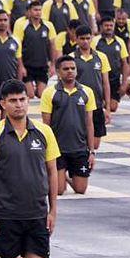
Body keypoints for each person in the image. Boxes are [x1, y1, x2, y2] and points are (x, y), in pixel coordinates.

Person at [0, 79, 60, 258]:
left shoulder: (44, 132)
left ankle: (19, 256)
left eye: (22, 99)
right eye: (13, 100)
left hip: (36, 214)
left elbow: (52, 172)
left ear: (28, 100)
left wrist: (53, 211)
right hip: (5, 214)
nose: (19, 104)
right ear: (3, 104)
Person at [41, 56, 96, 195]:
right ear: (58, 72)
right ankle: (59, 177)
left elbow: (89, 123)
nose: (70, 71)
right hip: (58, 149)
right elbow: (45, 126)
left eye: (73, 68)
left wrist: (92, 151)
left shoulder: (86, 92)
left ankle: (64, 177)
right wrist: (46, 151)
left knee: (81, 189)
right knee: (59, 191)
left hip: (79, 148)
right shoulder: (49, 93)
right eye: (66, 69)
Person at [73, 25, 111, 150]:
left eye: (88, 38)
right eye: (82, 38)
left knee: (94, 145)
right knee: (80, 141)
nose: (85, 41)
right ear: (76, 39)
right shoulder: (71, 57)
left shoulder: (101, 57)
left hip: (97, 104)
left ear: (92, 38)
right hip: (78, 105)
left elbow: (105, 83)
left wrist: (108, 108)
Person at [13, 0, 57, 98]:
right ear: (29, 11)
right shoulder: (21, 25)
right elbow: (18, 46)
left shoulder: (48, 25)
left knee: (41, 94)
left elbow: (52, 46)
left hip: (42, 65)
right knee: (30, 95)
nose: (38, 12)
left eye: (40, 10)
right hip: (27, 65)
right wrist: (21, 66)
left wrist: (53, 64)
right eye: (35, 10)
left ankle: (37, 90)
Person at [93, 16, 130, 112]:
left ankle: (105, 102)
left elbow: (125, 63)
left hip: (114, 79)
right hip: (99, 78)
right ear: (101, 27)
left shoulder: (120, 41)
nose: (109, 27)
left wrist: (125, 82)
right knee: (96, 105)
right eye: (106, 25)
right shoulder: (95, 41)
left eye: (111, 25)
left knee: (113, 108)